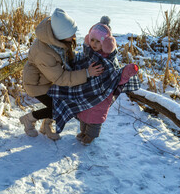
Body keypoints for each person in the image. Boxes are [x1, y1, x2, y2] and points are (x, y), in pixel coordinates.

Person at [48, 16, 140, 145]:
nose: (94, 44)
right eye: (92, 40)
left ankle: (90, 136)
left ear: (107, 44)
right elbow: (76, 64)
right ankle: (83, 131)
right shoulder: (87, 54)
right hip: (86, 93)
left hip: (101, 97)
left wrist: (127, 72)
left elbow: (117, 77)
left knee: (94, 119)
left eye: (98, 41)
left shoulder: (110, 61)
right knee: (83, 115)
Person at [20, 8, 104, 140]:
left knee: (61, 102)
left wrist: (85, 60)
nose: (74, 37)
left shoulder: (58, 39)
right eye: (71, 34)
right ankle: (29, 119)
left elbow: (66, 58)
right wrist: (87, 73)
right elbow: (60, 78)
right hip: (36, 84)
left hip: (48, 79)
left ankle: (46, 126)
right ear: (60, 35)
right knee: (57, 107)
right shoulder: (44, 52)